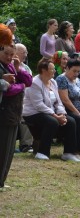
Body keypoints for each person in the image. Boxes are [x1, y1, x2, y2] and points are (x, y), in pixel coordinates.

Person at [22, 59, 80, 161]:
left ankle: (69, 153)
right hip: (33, 113)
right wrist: (55, 116)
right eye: (52, 69)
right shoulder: (34, 83)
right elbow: (39, 105)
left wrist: (62, 114)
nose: (54, 71)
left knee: (71, 121)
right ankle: (42, 152)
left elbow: (58, 101)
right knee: (52, 122)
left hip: (49, 112)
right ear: (44, 70)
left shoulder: (53, 82)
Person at [0, 38, 32, 191]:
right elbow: (8, 90)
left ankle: (2, 179)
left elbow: (28, 80)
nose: (9, 57)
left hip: (14, 113)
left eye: (11, 55)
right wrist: (21, 86)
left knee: (10, 148)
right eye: (6, 53)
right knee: (3, 148)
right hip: (5, 113)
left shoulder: (10, 66)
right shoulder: (1, 68)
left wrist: (18, 68)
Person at [56, 59, 80, 156]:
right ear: (67, 68)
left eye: (78, 71)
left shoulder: (78, 80)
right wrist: (78, 113)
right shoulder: (61, 79)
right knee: (79, 119)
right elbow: (65, 100)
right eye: (74, 71)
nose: (76, 74)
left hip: (79, 109)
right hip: (66, 109)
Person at [14, 44, 34, 152]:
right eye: (23, 52)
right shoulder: (9, 65)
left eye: (26, 52)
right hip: (13, 98)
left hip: (25, 98)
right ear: (15, 52)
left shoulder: (26, 68)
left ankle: (26, 144)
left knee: (27, 112)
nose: (26, 55)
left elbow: (30, 83)